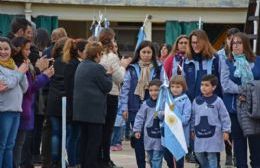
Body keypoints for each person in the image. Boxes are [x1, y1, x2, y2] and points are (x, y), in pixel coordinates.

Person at [120, 40, 165, 168]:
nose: (146, 54)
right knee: (138, 139)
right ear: (138, 53)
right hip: (134, 108)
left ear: (153, 53)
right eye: (143, 52)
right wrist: (124, 107)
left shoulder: (158, 68)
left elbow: (163, 89)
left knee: (154, 138)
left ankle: (155, 164)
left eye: (149, 52)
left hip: (153, 109)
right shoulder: (132, 68)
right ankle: (141, 165)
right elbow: (125, 89)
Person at [11, 36, 54, 168]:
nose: (29, 52)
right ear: (18, 49)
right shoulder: (19, 65)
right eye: (26, 49)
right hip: (21, 108)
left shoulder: (23, 63)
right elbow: (29, 87)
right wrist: (44, 75)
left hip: (24, 108)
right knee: (16, 146)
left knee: (18, 145)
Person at [221, 32, 260, 168]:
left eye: (239, 43)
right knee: (239, 144)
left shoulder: (258, 61)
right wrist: (242, 90)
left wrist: (249, 92)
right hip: (234, 109)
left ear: (246, 44)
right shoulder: (227, 62)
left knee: (256, 144)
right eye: (233, 43)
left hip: (254, 109)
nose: (235, 46)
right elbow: (225, 84)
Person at [73, 41, 113, 168]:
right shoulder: (97, 68)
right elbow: (107, 87)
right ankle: (90, 164)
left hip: (80, 111)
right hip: (94, 112)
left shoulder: (81, 65)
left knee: (84, 140)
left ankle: (83, 164)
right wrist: (109, 76)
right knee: (93, 142)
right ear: (97, 54)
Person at [98, 28, 130, 168]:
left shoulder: (99, 54)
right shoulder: (111, 56)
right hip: (111, 94)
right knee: (107, 129)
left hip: (101, 95)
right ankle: (105, 160)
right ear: (110, 39)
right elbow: (119, 77)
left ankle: (102, 158)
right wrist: (123, 66)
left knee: (102, 129)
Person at [0, 37, 29, 168]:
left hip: (16, 110)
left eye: (6, 49)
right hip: (3, 111)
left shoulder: (13, 65)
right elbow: (7, 84)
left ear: (11, 50)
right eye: (0, 49)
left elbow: (24, 87)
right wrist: (18, 74)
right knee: (1, 145)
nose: (3, 52)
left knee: (10, 145)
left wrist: (21, 73)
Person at [191, 75, 231, 168]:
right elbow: (193, 117)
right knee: (198, 153)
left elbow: (224, 117)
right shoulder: (196, 101)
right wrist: (192, 129)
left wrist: (226, 130)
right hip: (199, 133)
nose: (203, 87)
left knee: (212, 156)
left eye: (206, 85)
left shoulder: (218, 101)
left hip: (214, 135)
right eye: (202, 85)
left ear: (214, 87)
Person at [217, 27, 240, 166]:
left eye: (235, 38)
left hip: (237, 94)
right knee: (227, 126)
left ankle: (237, 154)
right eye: (229, 38)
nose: (232, 41)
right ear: (226, 39)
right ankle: (229, 153)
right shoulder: (219, 55)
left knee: (238, 127)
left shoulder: (242, 54)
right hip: (222, 93)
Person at [63, 38, 88, 167]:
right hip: (73, 106)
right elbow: (70, 88)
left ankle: (77, 160)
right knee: (73, 136)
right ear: (79, 51)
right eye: (86, 51)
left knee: (78, 136)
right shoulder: (72, 65)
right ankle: (73, 162)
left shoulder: (80, 64)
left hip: (79, 106)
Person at [46, 37, 68, 167]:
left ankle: (54, 161)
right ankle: (61, 160)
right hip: (65, 100)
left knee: (55, 132)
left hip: (53, 99)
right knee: (64, 132)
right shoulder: (70, 62)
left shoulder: (53, 62)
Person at [133, 79, 163, 168]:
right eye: (151, 90)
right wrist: (137, 130)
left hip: (160, 137)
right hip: (148, 137)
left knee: (156, 158)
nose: (153, 93)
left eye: (156, 90)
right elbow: (139, 117)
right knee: (150, 157)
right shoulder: (145, 104)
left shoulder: (164, 104)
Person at [163, 75, 191, 168]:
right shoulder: (167, 98)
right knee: (167, 156)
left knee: (178, 159)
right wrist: (162, 114)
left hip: (179, 135)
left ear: (183, 87)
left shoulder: (186, 100)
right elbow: (159, 113)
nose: (175, 89)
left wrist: (174, 120)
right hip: (167, 134)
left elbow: (186, 118)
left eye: (178, 87)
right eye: (172, 86)